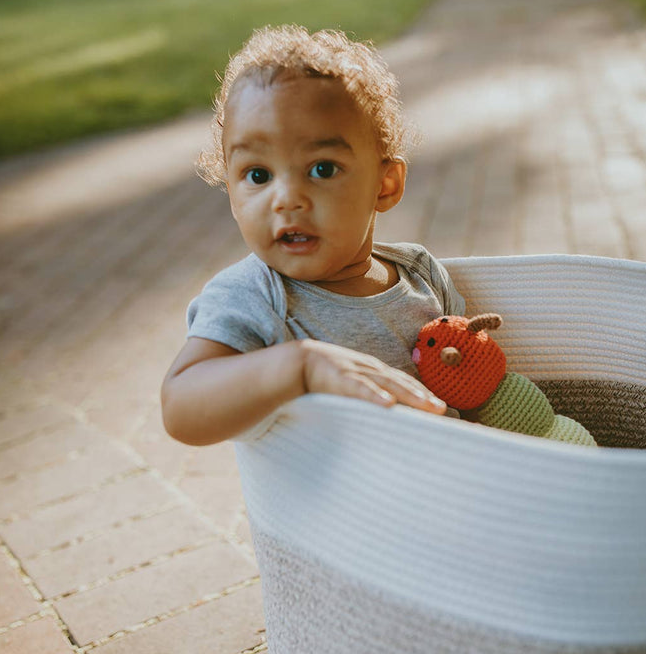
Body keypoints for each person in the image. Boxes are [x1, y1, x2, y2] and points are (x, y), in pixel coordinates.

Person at [161, 25, 464, 446]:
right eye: (258, 175)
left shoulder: (421, 276)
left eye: (321, 169)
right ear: (231, 193)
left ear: (385, 184)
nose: (286, 199)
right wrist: (298, 366)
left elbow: (475, 383)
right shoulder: (254, 297)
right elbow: (181, 406)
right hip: (334, 509)